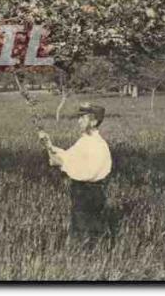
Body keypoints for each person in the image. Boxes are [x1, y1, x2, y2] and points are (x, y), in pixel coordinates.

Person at [38, 103, 112, 242]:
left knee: (88, 233)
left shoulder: (97, 144)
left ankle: (92, 258)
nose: (79, 122)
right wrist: (48, 144)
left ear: (94, 121)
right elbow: (69, 156)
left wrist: (62, 163)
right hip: (81, 191)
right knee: (79, 229)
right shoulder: (84, 141)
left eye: (83, 118)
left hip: (91, 192)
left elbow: (88, 172)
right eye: (79, 118)